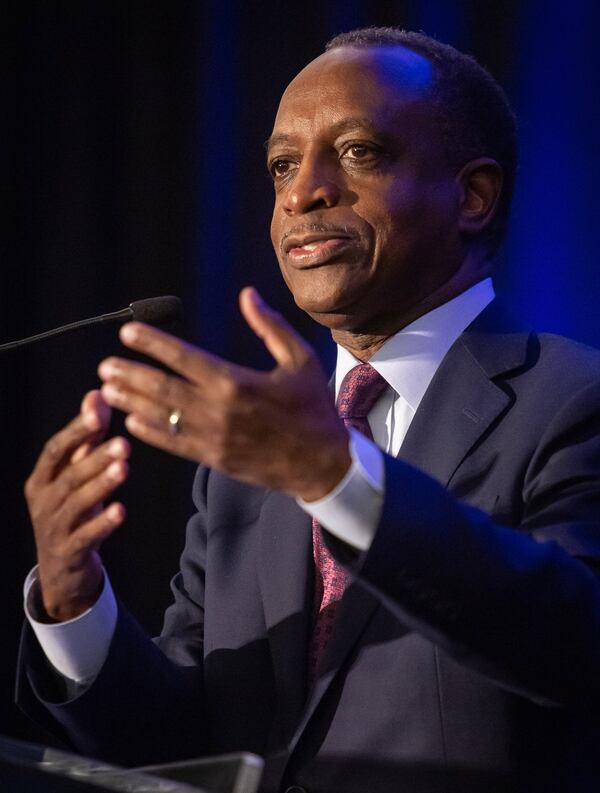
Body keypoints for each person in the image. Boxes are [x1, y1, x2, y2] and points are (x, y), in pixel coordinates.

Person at [17, 27, 600, 793]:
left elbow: (574, 641)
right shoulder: (244, 470)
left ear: (472, 194)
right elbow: (180, 742)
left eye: (359, 152)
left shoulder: (570, 399)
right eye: (283, 165)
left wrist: (336, 479)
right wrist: (72, 604)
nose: (302, 193)